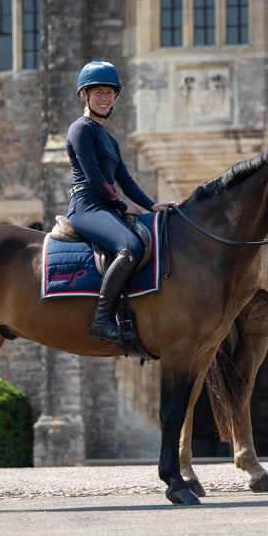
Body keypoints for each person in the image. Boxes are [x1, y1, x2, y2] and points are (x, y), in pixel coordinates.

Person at [66, 60, 174, 344]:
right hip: (86, 206)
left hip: (104, 205)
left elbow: (125, 181)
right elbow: (93, 178)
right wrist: (121, 206)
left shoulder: (110, 139)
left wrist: (152, 206)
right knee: (129, 248)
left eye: (109, 93)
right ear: (85, 96)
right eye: (98, 92)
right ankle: (102, 319)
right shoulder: (80, 129)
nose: (104, 98)